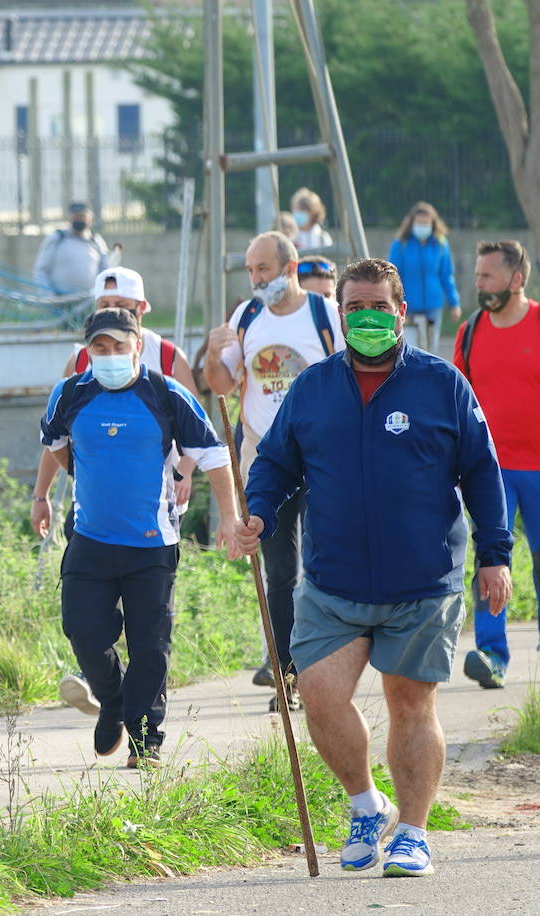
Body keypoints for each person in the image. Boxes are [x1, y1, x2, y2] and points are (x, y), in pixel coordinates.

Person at [234, 257, 511, 879]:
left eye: (377, 307)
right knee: (318, 694)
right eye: (354, 308)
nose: (366, 318)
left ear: (400, 312)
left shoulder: (442, 385)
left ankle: (413, 832)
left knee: (410, 703)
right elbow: (275, 463)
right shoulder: (313, 388)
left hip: (422, 580)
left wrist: (495, 554)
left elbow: (482, 472)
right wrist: (259, 513)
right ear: (340, 314)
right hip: (334, 581)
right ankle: (366, 805)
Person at [40, 307, 240, 768]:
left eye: (119, 345)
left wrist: (229, 518)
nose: (110, 354)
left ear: (138, 345)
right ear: (88, 351)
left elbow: (213, 455)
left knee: (150, 645)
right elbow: (55, 444)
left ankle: (145, 741)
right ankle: (113, 702)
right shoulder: (69, 394)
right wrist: (62, 487)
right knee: (83, 631)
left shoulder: (166, 394)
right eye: (100, 347)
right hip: (90, 539)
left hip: (152, 544)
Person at [31, 266, 201, 716]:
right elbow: (57, 437)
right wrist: (46, 492)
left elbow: (197, 431)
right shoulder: (79, 365)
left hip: (154, 507)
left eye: (122, 307)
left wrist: (182, 474)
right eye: (105, 306)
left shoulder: (168, 358)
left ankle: (144, 721)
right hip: (91, 505)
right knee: (86, 610)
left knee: (149, 630)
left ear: (141, 311)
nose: (113, 313)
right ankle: (103, 683)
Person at [204, 231, 345, 710]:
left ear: (290, 268)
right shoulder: (246, 317)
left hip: (323, 457)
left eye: (262, 269)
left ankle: (328, 671)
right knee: (280, 572)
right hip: (267, 460)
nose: (255, 279)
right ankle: (287, 678)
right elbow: (220, 384)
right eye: (250, 270)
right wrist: (213, 352)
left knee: (325, 567)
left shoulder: (325, 315)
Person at [453, 239, 540, 689]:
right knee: (490, 560)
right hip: (491, 472)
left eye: (487, 276)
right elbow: (455, 399)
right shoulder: (470, 332)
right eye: (477, 276)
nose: (480, 284)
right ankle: (491, 655)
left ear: (516, 279)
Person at [388, 202, 460, 355]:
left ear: (433, 224)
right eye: (419, 223)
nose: (423, 227)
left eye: (426, 223)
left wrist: (454, 303)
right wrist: (393, 300)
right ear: (412, 223)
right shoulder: (401, 244)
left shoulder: (440, 244)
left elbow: (446, 275)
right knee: (409, 346)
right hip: (408, 306)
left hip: (433, 306)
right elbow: (393, 275)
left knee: (431, 348)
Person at [33, 202, 110, 296]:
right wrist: (48, 295)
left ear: (90, 218)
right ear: (69, 218)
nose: (79, 219)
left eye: (82, 216)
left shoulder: (96, 241)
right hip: (59, 300)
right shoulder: (57, 238)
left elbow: (105, 270)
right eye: (76, 216)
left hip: (89, 300)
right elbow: (41, 270)